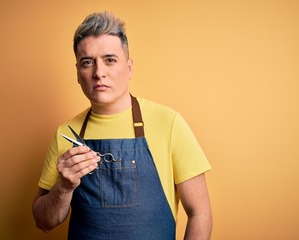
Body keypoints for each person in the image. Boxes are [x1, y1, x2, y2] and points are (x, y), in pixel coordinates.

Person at [32, 11, 212, 240]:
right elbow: (43, 222)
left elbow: (200, 213)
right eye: (87, 62)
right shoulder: (66, 134)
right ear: (78, 73)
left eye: (110, 60)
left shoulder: (168, 123)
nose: (99, 73)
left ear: (129, 68)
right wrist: (64, 187)